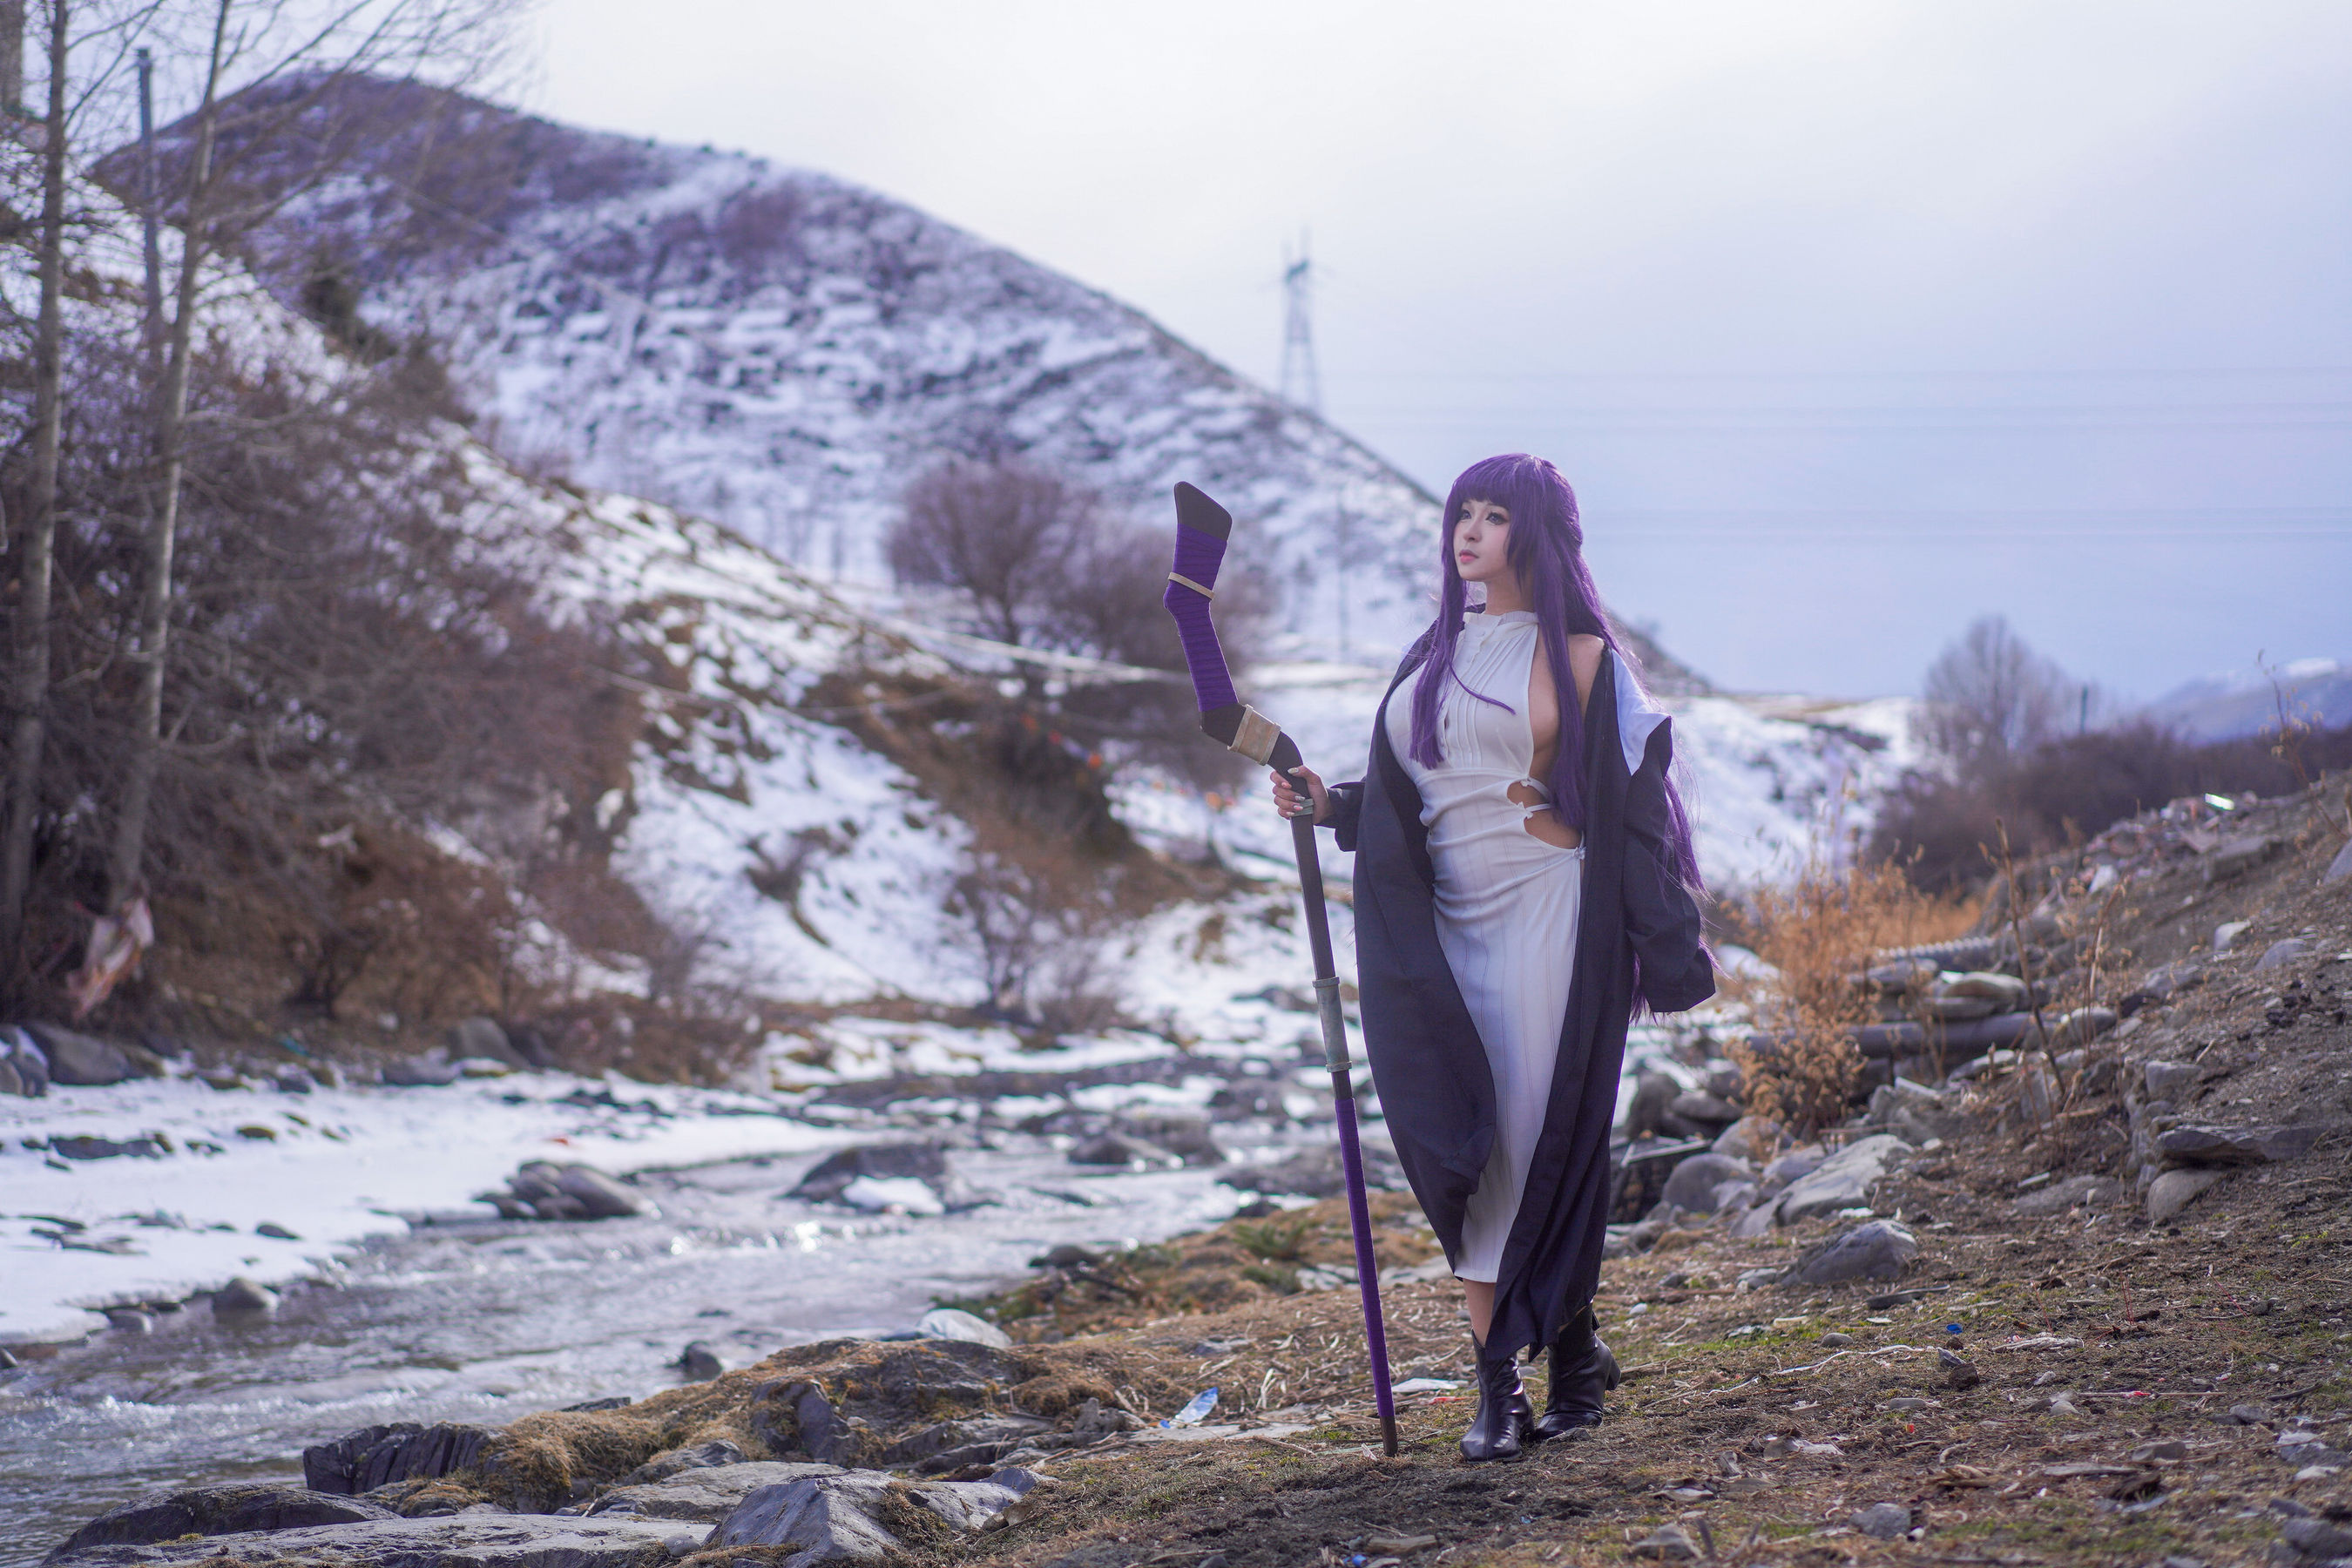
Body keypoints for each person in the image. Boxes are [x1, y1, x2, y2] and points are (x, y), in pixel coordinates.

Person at [1270, 453, 1713, 1462]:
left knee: (1531, 1136)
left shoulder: (1586, 659)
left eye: (1494, 513)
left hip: (1553, 919)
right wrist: (1329, 803)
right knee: (1463, 1145)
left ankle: (1509, 1385)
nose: (1468, 529)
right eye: (1460, 511)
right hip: (1440, 929)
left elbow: (1633, 813)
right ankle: (1559, 1359)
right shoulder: (1431, 653)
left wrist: (1667, 946)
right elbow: (1405, 790)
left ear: (1539, 531)